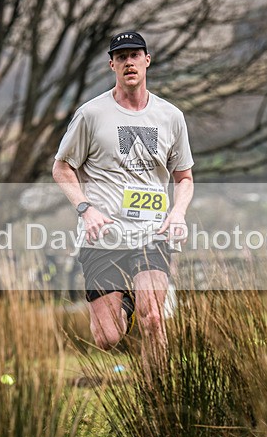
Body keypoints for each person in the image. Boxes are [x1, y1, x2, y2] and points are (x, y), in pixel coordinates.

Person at [53, 31, 194, 371]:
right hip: (104, 237)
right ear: (112, 65)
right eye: (121, 56)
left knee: (154, 319)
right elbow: (61, 167)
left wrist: (177, 213)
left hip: (152, 232)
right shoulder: (91, 115)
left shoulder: (170, 116)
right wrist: (85, 209)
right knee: (107, 337)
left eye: (135, 54)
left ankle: (160, 402)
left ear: (147, 60)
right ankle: (126, 303)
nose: (129, 61)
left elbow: (184, 177)